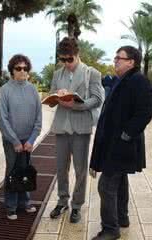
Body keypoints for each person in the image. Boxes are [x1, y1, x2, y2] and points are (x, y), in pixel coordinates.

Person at [89, 46, 152, 240]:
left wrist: (126, 135)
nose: (115, 60)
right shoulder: (122, 80)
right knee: (120, 181)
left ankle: (110, 229)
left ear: (131, 62)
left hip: (122, 144)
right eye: (115, 57)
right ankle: (122, 218)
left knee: (105, 186)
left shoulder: (139, 81)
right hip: (113, 143)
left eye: (119, 58)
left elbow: (144, 113)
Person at [49, 37, 104, 223]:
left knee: (80, 169)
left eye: (69, 59)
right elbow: (51, 94)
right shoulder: (57, 74)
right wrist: (56, 97)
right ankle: (62, 200)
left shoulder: (92, 73)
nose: (66, 63)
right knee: (60, 168)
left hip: (81, 127)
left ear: (77, 54)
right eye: (62, 60)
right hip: (61, 127)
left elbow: (97, 99)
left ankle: (77, 205)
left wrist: (76, 105)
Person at [0, 54, 42, 220]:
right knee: (12, 171)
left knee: (25, 171)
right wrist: (15, 141)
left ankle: (25, 202)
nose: (22, 71)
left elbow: (39, 117)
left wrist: (31, 140)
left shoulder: (33, 89)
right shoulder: (6, 90)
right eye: (18, 68)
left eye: (25, 68)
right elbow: (2, 119)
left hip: (27, 140)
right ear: (12, 71)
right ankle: (10, 205)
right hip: (12, 140)